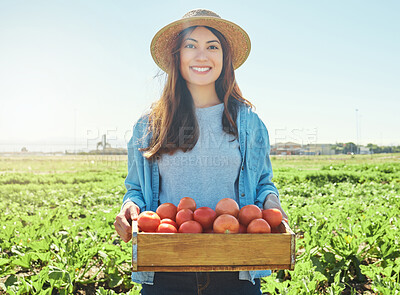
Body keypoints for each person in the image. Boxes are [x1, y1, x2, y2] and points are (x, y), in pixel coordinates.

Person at [114, 8, 288, 295]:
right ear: (178, 57)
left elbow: (263, 184)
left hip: (236, 268)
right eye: (190, 46)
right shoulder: (148, 125)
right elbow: (135, 188)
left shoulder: (248, 123)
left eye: (212, 46)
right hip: (166, 266)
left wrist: (271, 202)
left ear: (224, 58)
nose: (202, 55)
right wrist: (129, 207)